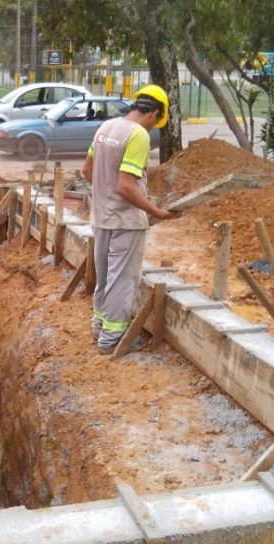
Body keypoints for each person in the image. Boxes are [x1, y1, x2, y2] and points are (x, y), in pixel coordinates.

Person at [81, 84, 178, 355]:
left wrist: (104, 193)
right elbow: (126, 186)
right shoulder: (138, 135)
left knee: (105, 276)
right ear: (155, 113)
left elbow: (87, 169)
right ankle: (112, 339)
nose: (154, 127)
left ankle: (99, 327)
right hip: (125, 221)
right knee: (122, 280)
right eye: (157, 121)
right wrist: (156, 212)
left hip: (101, 217)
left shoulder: (106, 128)